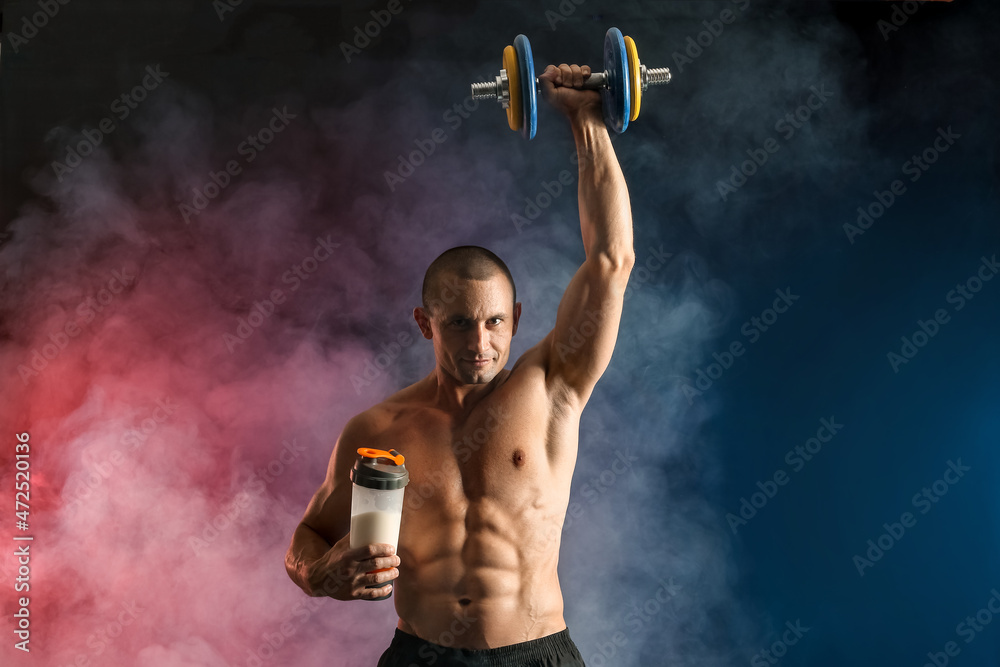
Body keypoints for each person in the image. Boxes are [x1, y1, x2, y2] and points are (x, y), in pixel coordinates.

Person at [285, 62, 635, 667]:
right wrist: (318, 574)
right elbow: (310, 534)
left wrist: (586, 119)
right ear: (425, 324)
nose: (480, 341)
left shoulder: (551, 390)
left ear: (517, 320)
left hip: (537, 654)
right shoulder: (376, 431)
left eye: (496, 322)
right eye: (458, 323)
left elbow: (611, 259)